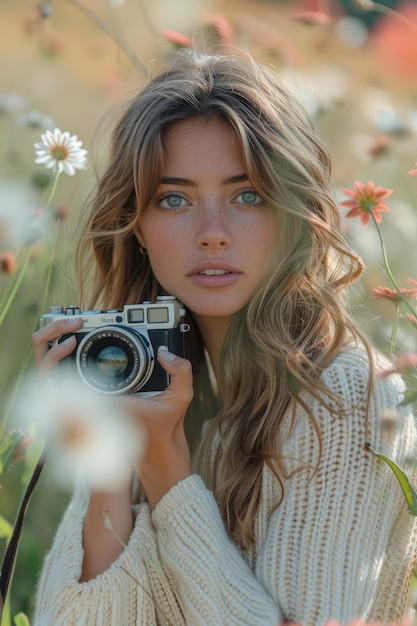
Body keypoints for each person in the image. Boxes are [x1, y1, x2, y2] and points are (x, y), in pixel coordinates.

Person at [31, 49, 417, 626]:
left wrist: (166, 470)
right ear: (137, 225)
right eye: (174, 199)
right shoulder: (131, 377)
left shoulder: (344, 395)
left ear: (292, 213)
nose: (212, 234)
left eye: (247, 196)